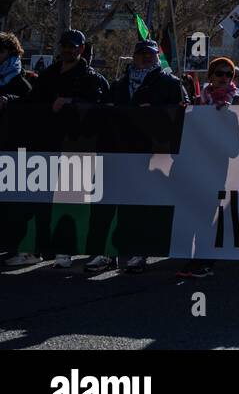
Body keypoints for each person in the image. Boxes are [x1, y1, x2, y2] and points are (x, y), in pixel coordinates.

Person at [7, 29, 109, 269]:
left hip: (77, 149)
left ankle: (66, 250)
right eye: (64, 45)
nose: (68, 49)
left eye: (73, 46)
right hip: (46, 146)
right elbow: (31, 100)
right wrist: (10, 100)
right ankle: (38, 249)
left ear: (82, 49)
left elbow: (102, 105)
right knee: (41, 200)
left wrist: (71, 102)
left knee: (71, 202)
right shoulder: (50, 73)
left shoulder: (90, 76)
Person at [88, 39, 186, 275]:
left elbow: (184, 111)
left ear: (156, 57)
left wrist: (155, 114)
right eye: (141, 54)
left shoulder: (170, 83)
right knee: (110, 204)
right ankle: (107, 253)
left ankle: (139, 252)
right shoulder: (120, 84)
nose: (145, 58)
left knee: (142, 206)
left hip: (151, 155)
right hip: (118, 152)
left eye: (150, 54)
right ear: (133, 56)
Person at [0, 31, 33, 107]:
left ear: (11, 53)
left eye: (0, 51)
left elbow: (29, 104)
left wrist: (9, 101)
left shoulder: (22, 84)